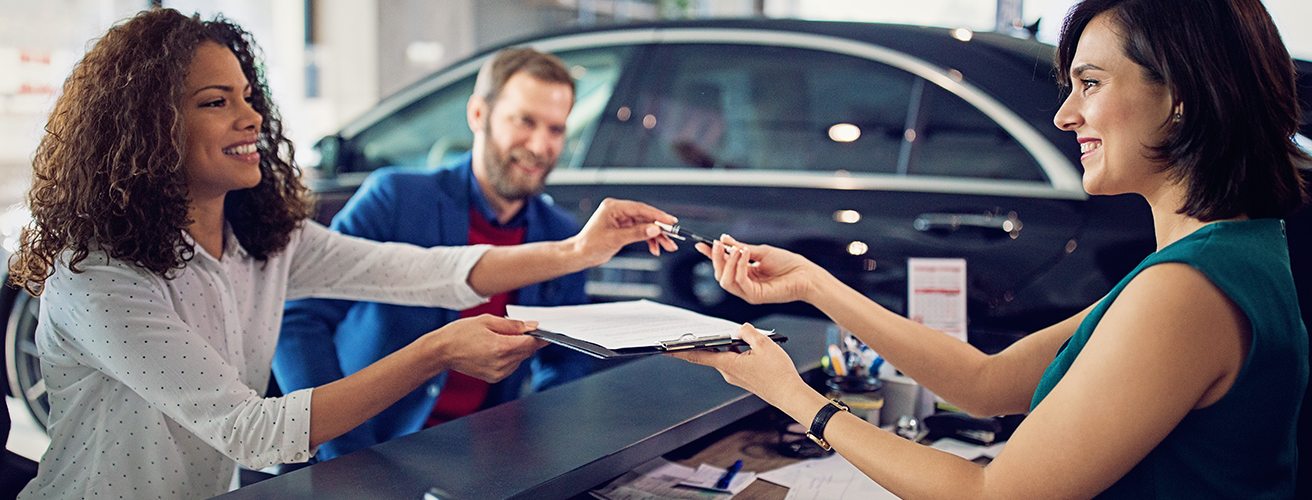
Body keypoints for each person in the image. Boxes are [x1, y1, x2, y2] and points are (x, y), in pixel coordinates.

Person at [8, 9, 677, 499]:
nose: (252, 119)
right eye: (217, 102)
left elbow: (428, 271)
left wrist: (580, 248)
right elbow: (254, 433)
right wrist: (437, 352)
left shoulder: (265, 240)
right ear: (148, 129)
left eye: (249, 97)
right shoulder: (98, 277)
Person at [672, 0, 1309, 498]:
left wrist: (795, 398)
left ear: (1180, 98)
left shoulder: (1187, 292)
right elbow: (986, 382)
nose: (1064, 115)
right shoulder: (1226, 254)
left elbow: (992, 492)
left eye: (1089, 83)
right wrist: (815, 284)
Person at [273, 47, 608, 461]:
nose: (540, 146)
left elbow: (565, 360)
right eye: (525, 121)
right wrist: (339, 448)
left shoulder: (561, 236)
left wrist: (538, 445)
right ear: (478, 115)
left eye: (556, 129)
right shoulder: (394, 198)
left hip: (482, 452)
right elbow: (298, 320)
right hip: (373, 445)